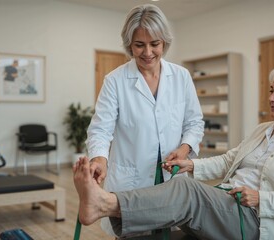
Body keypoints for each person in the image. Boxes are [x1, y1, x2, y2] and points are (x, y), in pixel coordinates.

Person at [74, 64, 274, 240]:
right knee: (172, 196)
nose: (271, 98)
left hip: (259, 221)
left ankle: (105, 204)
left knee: (187, 192)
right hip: (229, 204)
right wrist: (191, 166)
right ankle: (111, 209)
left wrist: (260, 198)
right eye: (271, 91)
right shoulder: (264, 130)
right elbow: (230, 160)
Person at [85, 3, 204, 236]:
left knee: (168, 233)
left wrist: (184, 147)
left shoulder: (181, 76)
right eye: (139, 45)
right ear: (129, 45)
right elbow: (100, 129)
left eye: (154, 44)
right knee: (132, 234)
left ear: (164, 43)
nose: (148, 52)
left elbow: (194, 122)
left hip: (169, 177)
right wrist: (99, 159)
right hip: (131, 180)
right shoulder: (115, 80)